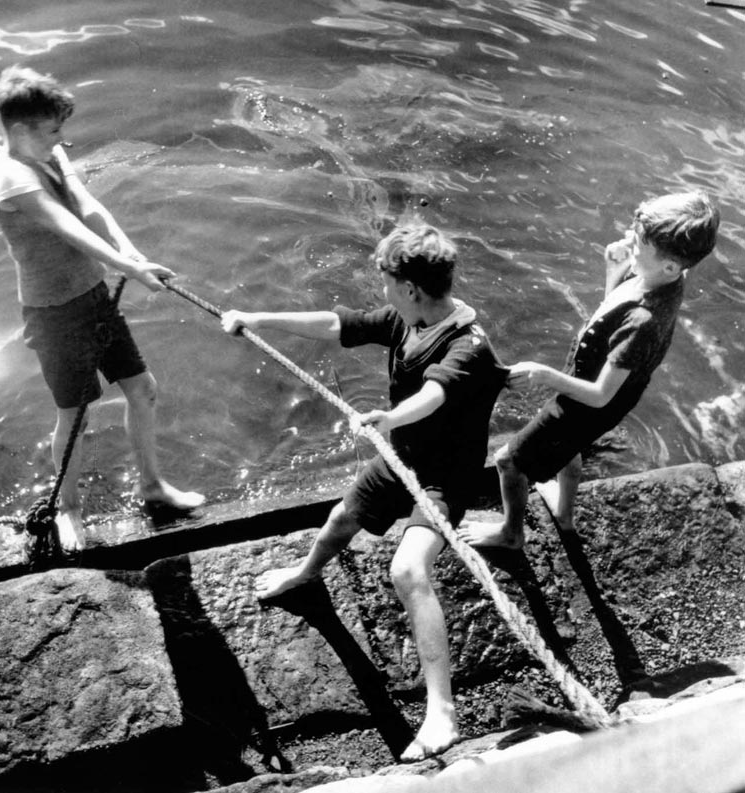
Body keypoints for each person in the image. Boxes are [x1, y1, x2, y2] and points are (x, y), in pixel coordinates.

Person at [221, 224, 507, 761]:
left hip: (444, 477)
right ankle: (306, 575)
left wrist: (388, 416)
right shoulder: (409, 318)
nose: (383, 293)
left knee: (407, 571)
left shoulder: (468, 346)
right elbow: (338, 323)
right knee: (339, 520)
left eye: (387, 282)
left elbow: (434, 393)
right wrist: (254, 318)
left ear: (412, 288)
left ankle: (442, 711)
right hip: (402, 460)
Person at [0, 65, 204, 552]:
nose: (62, 137)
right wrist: (129, 266)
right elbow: (68, 228)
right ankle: (69, 511)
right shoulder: (11, 179)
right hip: (54, 312)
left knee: (143, 389)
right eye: (52, 128)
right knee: (77, 416)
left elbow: (88, 208)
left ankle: (152, 486)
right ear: (21, 129)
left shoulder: (49, 153)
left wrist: (133, 257)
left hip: (92, 294)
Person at [458, 190, 720, 548]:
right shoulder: (663, 278)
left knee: (508, 460)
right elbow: (612, 311)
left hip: (587, 402)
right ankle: (564, 515)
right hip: (598, 386)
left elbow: (599, 396)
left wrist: (545, 375)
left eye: (639, 242)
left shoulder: (644, 320)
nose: (629, 241)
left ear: (671, 266)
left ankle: (510, 534)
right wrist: (614, 271)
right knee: (570, 448)